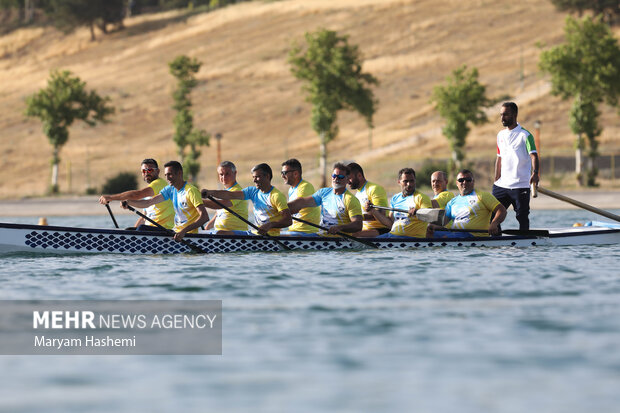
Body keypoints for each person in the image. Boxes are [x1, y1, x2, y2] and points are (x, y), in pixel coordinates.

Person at [122, 161, 209, 242]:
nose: (167, 178)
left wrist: (183, 231)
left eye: (170, 174)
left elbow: (204, 217)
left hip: (188, 236)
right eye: (166, 175)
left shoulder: (191, 191)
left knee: (141, 229)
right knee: (130, 230)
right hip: (175, 233)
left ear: (179, 173)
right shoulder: (170, 189)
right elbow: (148, 202)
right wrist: (129, 202)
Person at [203, 163, 292, 236]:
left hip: (270, 236)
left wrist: (270, 225)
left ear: (267, 176)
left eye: (257, 177)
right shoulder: (252, 191)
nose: (254, 180)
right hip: (253, 234)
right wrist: (211, 192)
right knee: (220, 233)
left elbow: (288, 220)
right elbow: (229, 194)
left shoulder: (276, 196)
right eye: (253, 177)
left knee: (220, 234)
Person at [493, 102, 539, 231]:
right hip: (501, 185)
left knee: (521, 216)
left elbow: (534, 156)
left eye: (506, 115)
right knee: (492, 215)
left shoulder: (525, 135)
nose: (502, 118)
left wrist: (535, 173)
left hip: (520, 185)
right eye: (501, 115)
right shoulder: (500, 135)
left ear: (515, 114)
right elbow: (499, 158)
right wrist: (496, 179)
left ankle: (524, 242)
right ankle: (496, 239)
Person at [98, 158, 174, 230]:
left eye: (150, 170)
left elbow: (137, 195)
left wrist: (111, 198)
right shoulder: (150, 192)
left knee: (141, 228)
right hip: (152, 231)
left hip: (164, 231)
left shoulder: (159, 184)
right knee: (130, 230)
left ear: (157, 171)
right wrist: (132, 234)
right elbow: (143, 218)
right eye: (144, 171)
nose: (147, 172)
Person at [288, 163, 363, 235]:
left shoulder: (350, 199)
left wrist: (340, 228)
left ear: (347, 180)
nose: (336, 179)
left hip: (338, 239)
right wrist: (283, 208)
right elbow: (302, 202)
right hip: (321, 236)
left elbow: (358, 225)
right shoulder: (324, 192)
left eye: (340, 177)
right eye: (334, 176)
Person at [437, 169, 507, 237]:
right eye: (461, 180)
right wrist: (430, 226)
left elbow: (502, 210)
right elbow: (442, 222)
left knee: (444, 237)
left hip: (474, 236)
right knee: (430, 234)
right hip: (454, 235)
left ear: (473, 182)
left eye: (468, 180)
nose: (464, 182)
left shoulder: (483, 196)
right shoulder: (452, 202)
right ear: (456, 183)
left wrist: (494, 223)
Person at [366, 168, 432, 238]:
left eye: (412, 181)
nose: (409, 184)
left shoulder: (421, 198)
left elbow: (430, 216)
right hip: (393, 236)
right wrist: (373, 211)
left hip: (412, 238)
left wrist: (418, 211)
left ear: (415, 181)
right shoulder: (395, 198)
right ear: (399, 182)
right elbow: (390, 224)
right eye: (405, 181)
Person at [201, 161, 249, 235]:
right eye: (221, 174)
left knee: (219, 233)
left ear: (235, 173)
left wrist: (200, 202)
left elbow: (220, 205)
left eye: (227, 174)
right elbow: (218, 213)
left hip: (238, 235)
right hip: (222, 234)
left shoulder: (237, 191)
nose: (224, 177)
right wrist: (207, 228)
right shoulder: (223, 193)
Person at [347, 162, 390, 237]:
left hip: (381, 229)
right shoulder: (357, 195)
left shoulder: (374, 189)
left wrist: (358, 218)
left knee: (352, 235)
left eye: (350, 178)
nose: (348, 182)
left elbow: (381, 215)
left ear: (359, 176)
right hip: (366, 230)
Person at [280, 158, 320, 236]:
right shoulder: (291, 190)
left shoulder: (305, 187)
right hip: (294, 231)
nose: (282, 176)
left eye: (284, 173)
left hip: (306, 232)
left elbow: (295, 207)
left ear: (295, 174)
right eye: (281, 173)